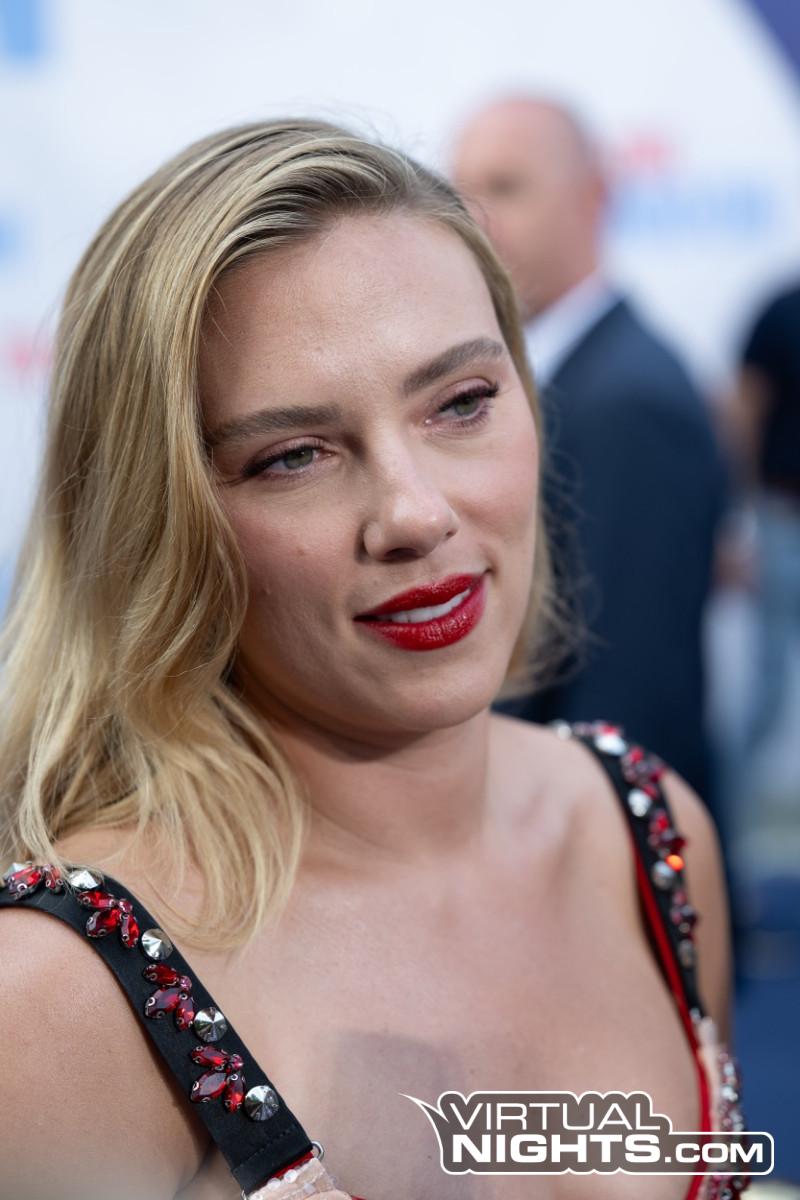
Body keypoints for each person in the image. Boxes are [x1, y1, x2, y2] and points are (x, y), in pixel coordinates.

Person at [0, 120, 748, 1200]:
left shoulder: (650, 837)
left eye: (461, 402)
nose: (414, 512)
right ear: (160, 515)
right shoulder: (57, 1000)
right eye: (293, 455)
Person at [450, 96, 729, 801]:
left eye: (506, 187)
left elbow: (628, 677)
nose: (474, 219)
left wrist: (586, 840)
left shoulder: (628, 399)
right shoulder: (570, 377)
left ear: (594, 196)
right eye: (460, 192)